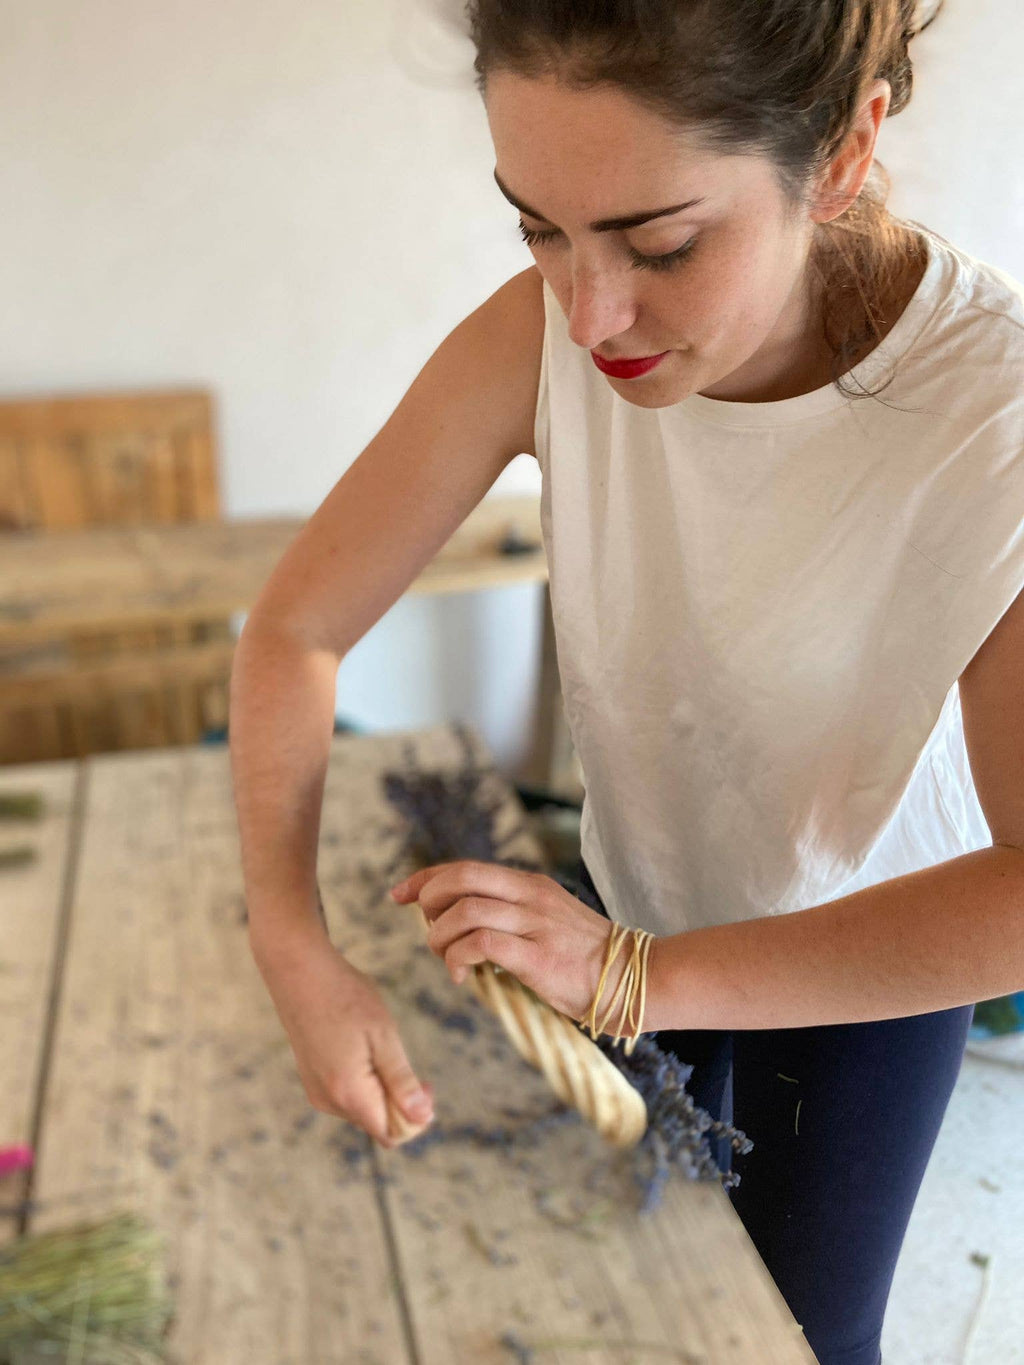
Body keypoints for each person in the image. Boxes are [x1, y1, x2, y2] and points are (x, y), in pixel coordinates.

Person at [230, 4, 1024, 1362]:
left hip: (862, 968)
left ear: (841, 151)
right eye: (536, 225)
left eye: (662, 244)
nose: (589, 312)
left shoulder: (988, 411)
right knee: (633, 1291)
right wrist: (291, 941)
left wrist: (643, 974)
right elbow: (294, 630)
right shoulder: (547, 333)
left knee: (792, 1340)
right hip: (640, 895)